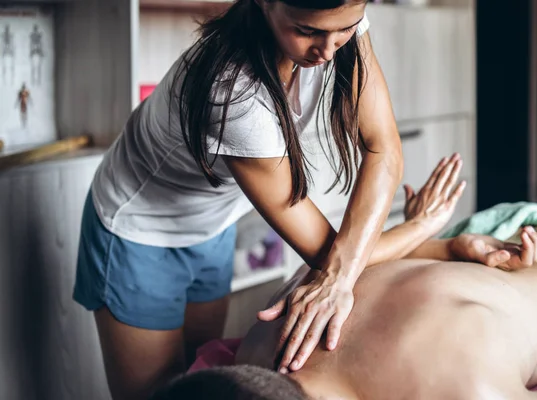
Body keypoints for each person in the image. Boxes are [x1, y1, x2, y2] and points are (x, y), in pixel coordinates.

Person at [72, 0, 469, 398]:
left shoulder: (338, 20)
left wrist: (345, 273)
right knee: (158, 395)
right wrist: (424, 231)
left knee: (201, 374)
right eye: (308, 31)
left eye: (345, 29)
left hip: (213, 222)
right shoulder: (232, 93)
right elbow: (328, 255)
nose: (329, 50)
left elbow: (382, 146)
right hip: (138, 230)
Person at [148, 184, 537, 399]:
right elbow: (347, 265)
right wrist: (445, 243)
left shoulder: (462, 389)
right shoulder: (261, 340)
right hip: (483, 243)